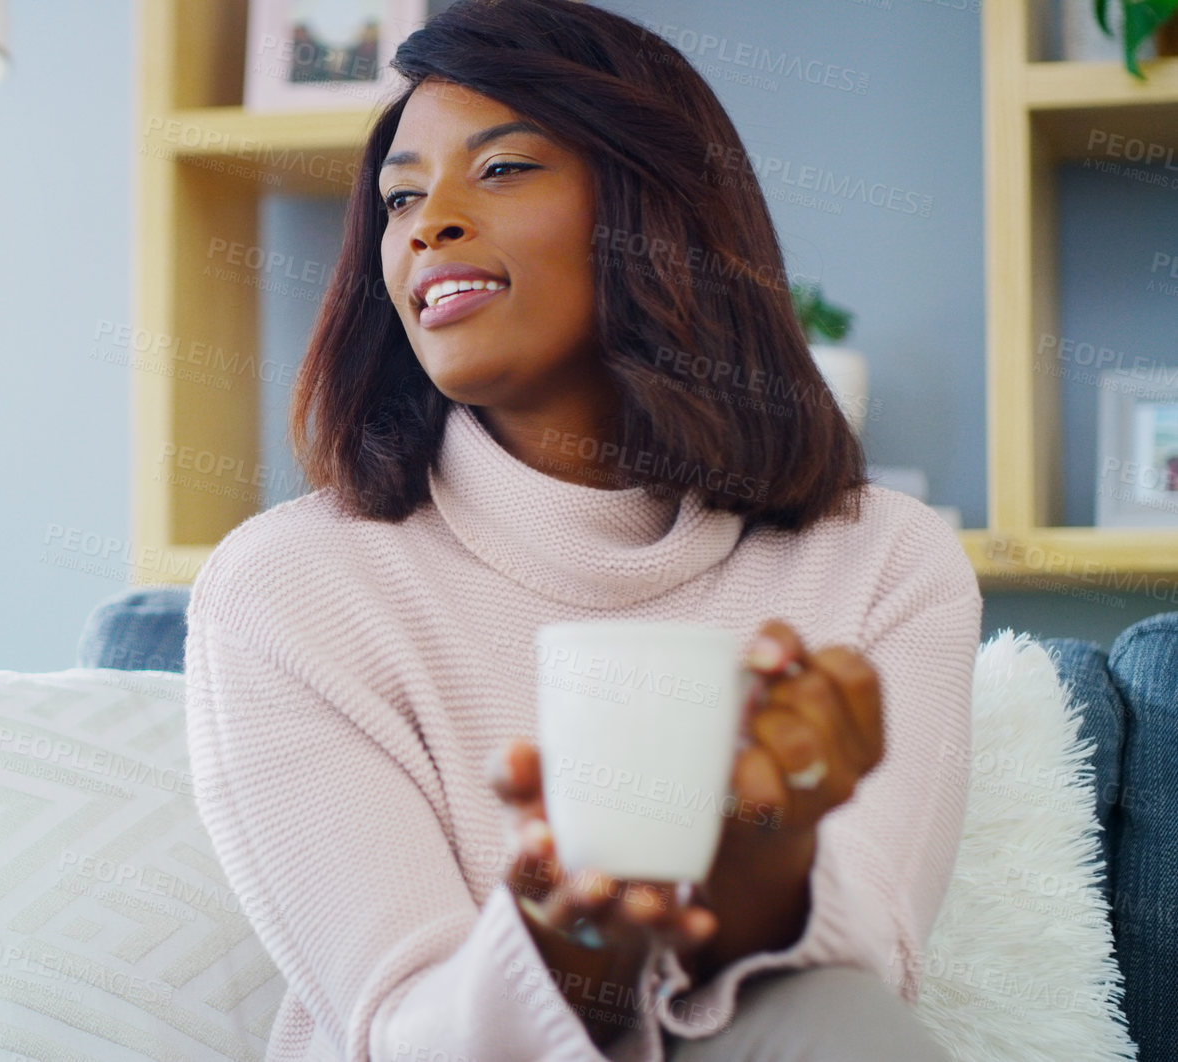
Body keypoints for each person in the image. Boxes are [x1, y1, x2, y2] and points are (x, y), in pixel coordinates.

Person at [180, 1, 982, 1060]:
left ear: (659, 208)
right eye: (400, 194)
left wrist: (759, 876)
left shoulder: (884, 563)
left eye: (502, 169)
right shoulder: (289, 586)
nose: (429, 223)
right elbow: (398, 1030)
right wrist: (572, 943)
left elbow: (864, 973)